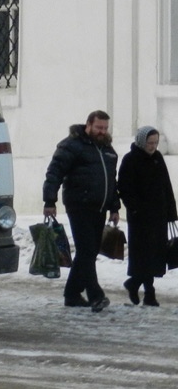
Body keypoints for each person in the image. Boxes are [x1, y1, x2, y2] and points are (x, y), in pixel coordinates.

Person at [42, 110, 121, 311]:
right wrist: (49, 201)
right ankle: (96, 295)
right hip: (79, 205)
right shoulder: (71, 145)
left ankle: (72, 294)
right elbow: (54, 173)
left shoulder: (107, 149)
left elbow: (111, 180)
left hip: (100, 207)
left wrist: (114, 207)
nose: (102, 131)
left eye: (105, 128)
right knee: (86, 250)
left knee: (90, 251)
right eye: (98, 127)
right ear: (88, 125)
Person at [117, 126, 178, 306]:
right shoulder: (130, 160)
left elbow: (166, 186)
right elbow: (124, 188)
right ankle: (149, 294)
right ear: (141, 142)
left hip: (158, 215)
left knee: (156, 254)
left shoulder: (157, 158)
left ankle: (134, 283)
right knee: (144, 254)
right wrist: (135, 209)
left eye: (155, 143)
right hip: (140, 218)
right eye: (150, 143)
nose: (153, 146)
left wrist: (171, 212)